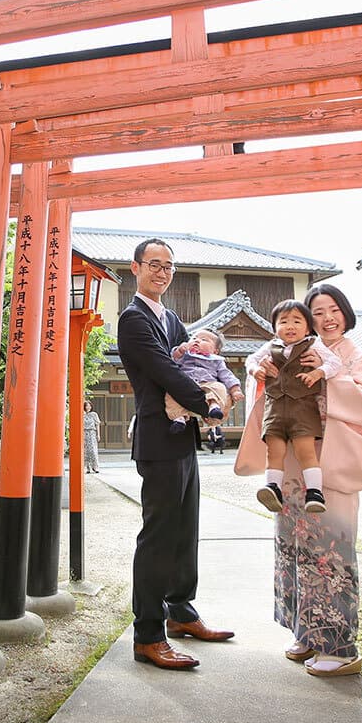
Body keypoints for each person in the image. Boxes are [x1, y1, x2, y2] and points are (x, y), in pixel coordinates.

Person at [235, 284, 362, 677]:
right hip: (292, 469)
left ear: (346, 312)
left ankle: (338, 647)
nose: (327, 318)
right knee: (293, 548)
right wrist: (261, 372)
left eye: (334, 310)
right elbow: (258, 371)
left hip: (331, 467)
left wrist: (324, 377)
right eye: (318, 313)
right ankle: (304, 632)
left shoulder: (360, 357)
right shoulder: (293, 348)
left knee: (330, 553)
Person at [117, 237, 235, 670]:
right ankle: (148, 635)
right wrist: (210, 405)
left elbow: (198, 362)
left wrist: (223, 387)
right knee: (159, 537)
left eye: (169, 266)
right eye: (154, 264)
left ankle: (181, 611)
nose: (162, 272)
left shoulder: (171, 319)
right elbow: (166, 371)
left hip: (183, 438)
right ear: (136, 268)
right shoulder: (133, 319)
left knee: (186, 530)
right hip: (157, 438)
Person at [252, 300, 341, 516]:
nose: (290, 326)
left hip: (303, 408)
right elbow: (250, 360)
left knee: (306, 451)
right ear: (275, 328)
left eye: (297, 321)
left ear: (308, 328)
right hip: (274, 408)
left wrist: (318, 372)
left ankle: (315, 493)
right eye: (283, 321)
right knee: (274, 451)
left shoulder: (313, 345)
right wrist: (255, 370)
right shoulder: (270, 347)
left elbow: (335, 363)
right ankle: (273, 488)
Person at [166, 328, 243, 433]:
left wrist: (235, 389)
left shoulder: (216, 361)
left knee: (219, 387)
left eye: (204, 340)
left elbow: (227, 375)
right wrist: (179, 351)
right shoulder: (185, 356)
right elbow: (172, 362)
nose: (197, 340)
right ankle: (179, 417)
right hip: (186, 384)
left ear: (215, 351)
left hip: (207, 384)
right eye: (194, 338)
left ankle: (214, 406)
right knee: (170, 393)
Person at [83, 400, 101, 474]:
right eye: (87, 406)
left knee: (93, 451)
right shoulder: (82, 415)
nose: (88, 407)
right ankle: (87, 468)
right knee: (86, 451)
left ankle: (95, 467)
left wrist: (98, 434)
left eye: (89, 406)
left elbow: (97, 424)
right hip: (84, 433)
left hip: (92, 433)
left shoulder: (94, 414)